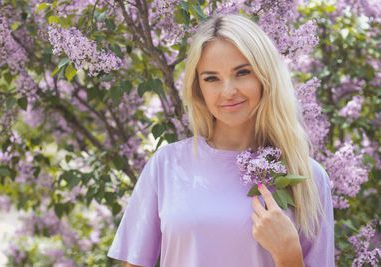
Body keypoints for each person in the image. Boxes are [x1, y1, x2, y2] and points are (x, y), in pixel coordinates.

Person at [107, 14, 334, 267]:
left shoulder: (308, 177)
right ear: (198, 88)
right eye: (212, 78)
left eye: (242, 72)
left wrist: (288, 255)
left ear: (265, 77)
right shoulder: (167, 164)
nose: (228, 91)